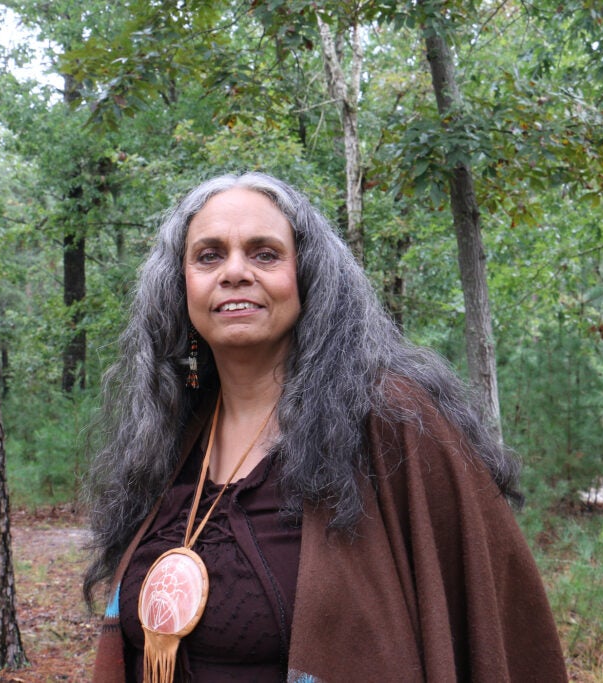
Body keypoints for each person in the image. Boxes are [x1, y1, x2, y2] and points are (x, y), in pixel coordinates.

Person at [83, 172, 568, 682]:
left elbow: (497, 613)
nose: (234, 272)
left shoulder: (391, 419)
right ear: (180, 285)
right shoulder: (172, 437)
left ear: (308, 277)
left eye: (264, 253)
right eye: (208, 256)